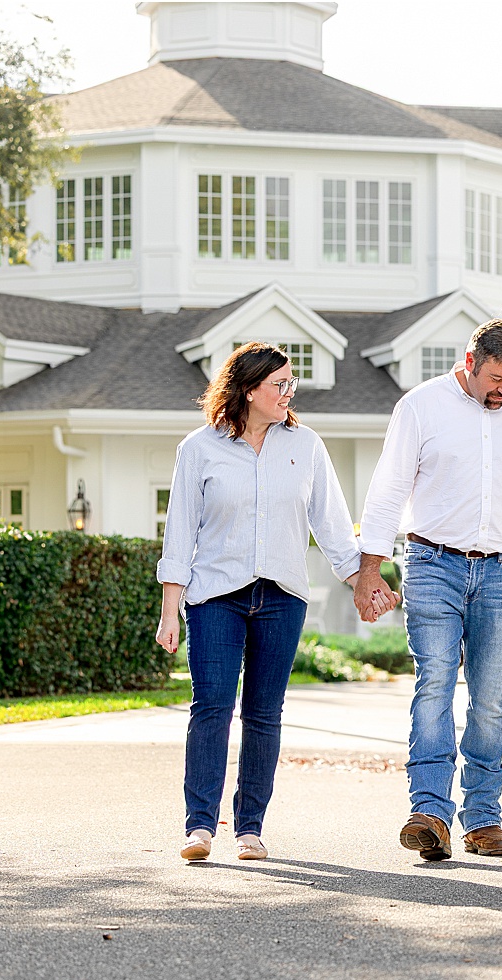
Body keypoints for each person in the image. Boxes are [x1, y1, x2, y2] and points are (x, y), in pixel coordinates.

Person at [353, 318, 502, 862]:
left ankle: (483, 819)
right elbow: (388, 489)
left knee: (492, 698)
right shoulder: (421, 406)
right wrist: (370, 568)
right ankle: (429, 812)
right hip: (431, 564)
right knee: (435, 685)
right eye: (497, 378)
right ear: (469, 363)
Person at [156, 342, 361, 862]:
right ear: (249, 391)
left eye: (292, 383)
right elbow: (180, 533)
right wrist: (169, 610)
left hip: (281, 597)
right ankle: (200, 827)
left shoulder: (306, 445)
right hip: (215, 597)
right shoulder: (199, 449)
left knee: (265, 714)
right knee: (212, 708)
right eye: (280, 384)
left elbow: (332, 525)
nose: (290, 392)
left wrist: (363, 580)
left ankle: (250, 828)